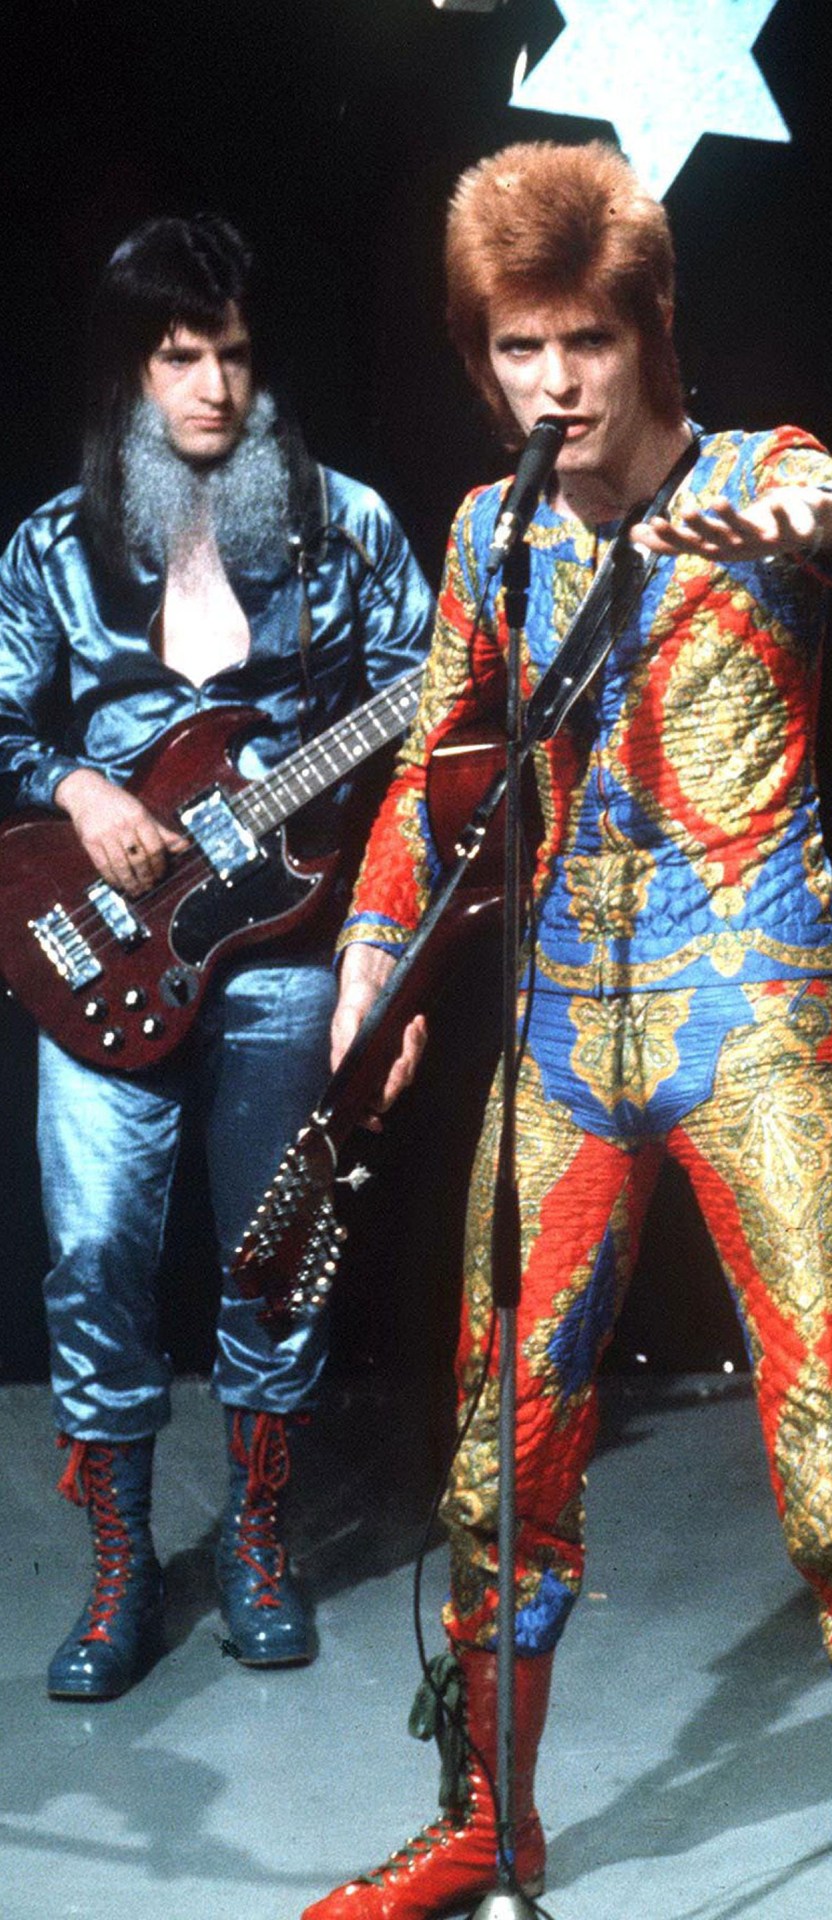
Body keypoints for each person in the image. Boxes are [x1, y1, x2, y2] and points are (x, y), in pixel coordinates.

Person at [309, 141, 832, 1920]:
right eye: (518, 348)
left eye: (585, 341)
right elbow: (436, 770)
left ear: (652, 331)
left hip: (752, 1018)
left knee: (831, 1467)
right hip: (560, 1041)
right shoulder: (490, 530)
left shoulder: (760, 477)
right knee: (496, 1456)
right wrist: (374, 955)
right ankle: (489, 1823)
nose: (555, 384)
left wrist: (830, 528)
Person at [0, 215, 435, 1700]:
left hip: (286, 947)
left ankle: (257, 1536)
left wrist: (385, 940)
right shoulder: (52, 548)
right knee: (94, 1254)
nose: (213, 389)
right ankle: (122, 1564)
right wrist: (81, 788)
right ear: (131, 371)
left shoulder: (348, 527)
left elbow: (432, 724)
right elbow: (1, 723)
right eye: (180, 358)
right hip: (96, 943)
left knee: (282, 1248)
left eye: (234, 356)